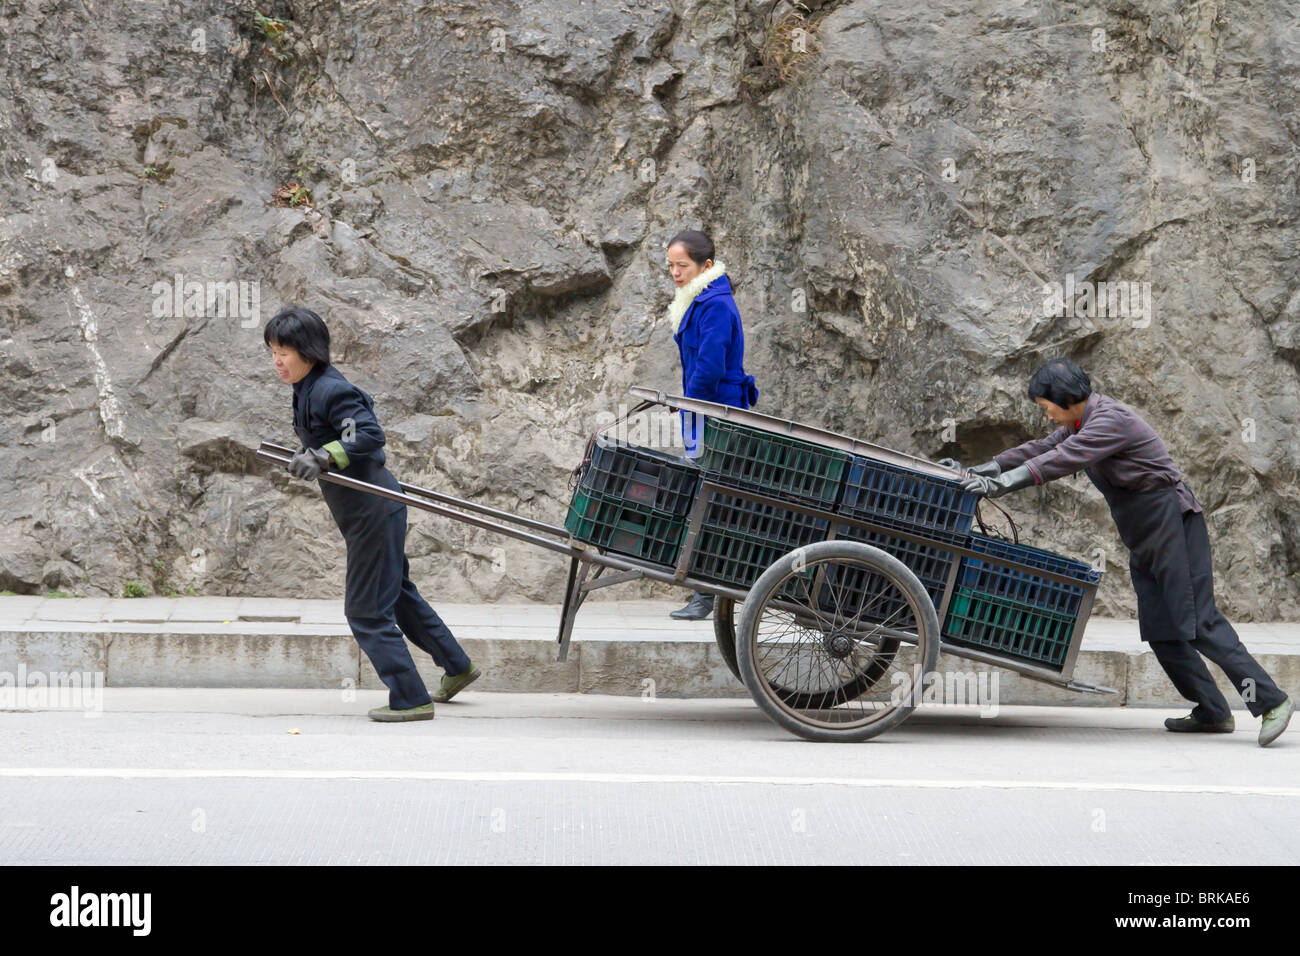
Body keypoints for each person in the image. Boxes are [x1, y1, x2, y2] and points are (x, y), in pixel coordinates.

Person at [955, 357, 1292, 746]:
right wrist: (980, 471)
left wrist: (1001, 485)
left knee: (1198, 621)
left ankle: (1272, 701)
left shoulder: (1109, 420)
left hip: (1172, 525)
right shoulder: (1079, 423)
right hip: (1144, 532)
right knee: (1161, 629)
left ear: (1065, 399)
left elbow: (1063, 459)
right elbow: (1041, 449)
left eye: (1047, 408)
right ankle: (1212, 711)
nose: (1048, 417)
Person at [266, 305, 481, 721]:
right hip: (370, 511)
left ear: (308, 351)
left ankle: (410, 697)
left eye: (285, 351)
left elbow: (367, 434)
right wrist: (311, 453)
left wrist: (325, 456)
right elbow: (331, 437)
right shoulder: (307, 388)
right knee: (397, 594)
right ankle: (457, 667)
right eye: (273, 351)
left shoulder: (331, 389)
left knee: (365, 610)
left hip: (372, 512)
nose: (277, 360)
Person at [665, 229, 758, 621]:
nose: (674, 273)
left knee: (712, 501)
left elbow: (710, 366)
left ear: (705, 265)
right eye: (670, 265)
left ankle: (708, 596)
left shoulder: (716, 305)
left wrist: (687, 401)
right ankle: (707, 594)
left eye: (681, 265)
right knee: (707, 497)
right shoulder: (698, 300)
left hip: (718, 414)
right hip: (702, 411)